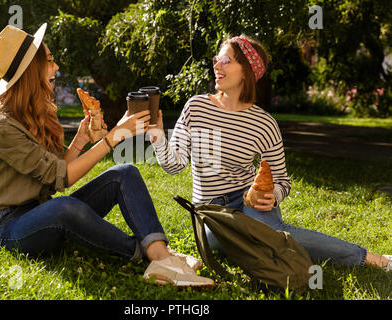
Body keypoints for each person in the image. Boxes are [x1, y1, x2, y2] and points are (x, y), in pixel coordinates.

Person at [0, 23, 215, 288]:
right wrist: (113, 138)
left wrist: (81, 139)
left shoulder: (29, 111)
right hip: (14, 229)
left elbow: (57, 176)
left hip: (42, 212)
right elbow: (61, 176)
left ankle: (162, 257)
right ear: (29, 71)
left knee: (124, 173)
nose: (56, 67)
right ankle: (149, 255)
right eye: (49, 60)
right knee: (63, 208)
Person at [148, 34, 391, 272]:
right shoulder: (197, 107)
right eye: (216, 59)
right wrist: (158, 136)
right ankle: (272, 243)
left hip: (249, 200)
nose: (217, 66)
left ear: (247, 71)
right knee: (236, 239)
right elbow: (175, 165)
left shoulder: (263, 123)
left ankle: (369, 258)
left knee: (268, 233)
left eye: (226, 60)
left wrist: (273, 194)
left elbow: (283, 180)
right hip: (211, 211)